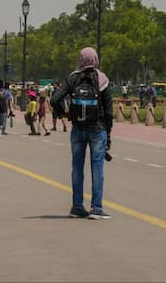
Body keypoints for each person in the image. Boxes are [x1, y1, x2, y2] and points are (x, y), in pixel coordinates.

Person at [51, 47, 113, 219]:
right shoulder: (102, 80)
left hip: (78, 128)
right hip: (97, 129)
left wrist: (66, 114)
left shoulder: (73, 78)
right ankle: (96, 208)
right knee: (97, 167)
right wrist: (108, 135)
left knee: (77, 167)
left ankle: (77, 206)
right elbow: (109, 111)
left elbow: (54, 99)